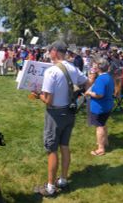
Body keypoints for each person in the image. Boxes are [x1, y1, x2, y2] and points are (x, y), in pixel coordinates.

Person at [31, 41, 87, 197]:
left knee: (52, 149)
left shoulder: (52, 71)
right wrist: (82, 97)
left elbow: (48, 100)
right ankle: (62, 180)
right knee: (65, 145)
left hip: (55, 114)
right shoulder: (73, 68)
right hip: (70, 111)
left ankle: (50, 187)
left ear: (55, 51)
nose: (49, 53)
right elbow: (87, 81)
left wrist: (38, 95)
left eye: (50, 50)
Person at [85, 56, 113, 156]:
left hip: (100, 107)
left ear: (99, 67)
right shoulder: (108, 76)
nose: (94, 66)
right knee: (103, 124)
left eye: (96, 65)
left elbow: (99, 94)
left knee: (99, 127)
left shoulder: (101, 79)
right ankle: (105, 142)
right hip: (107, 106)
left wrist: (89, 93)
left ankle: (100, 149)